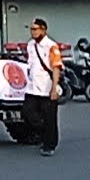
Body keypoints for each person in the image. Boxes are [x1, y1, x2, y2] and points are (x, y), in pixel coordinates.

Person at [24, 18, 63, 157]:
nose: (32, 32)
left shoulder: (51, 46)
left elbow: (56, 67)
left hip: (47, 87)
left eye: (35, 29)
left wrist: (54, 88)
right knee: (28, 112)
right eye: (31, 29)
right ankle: (41, 133)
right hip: (32, 87)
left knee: (50, 118)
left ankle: (49, 144)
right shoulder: (30, 45)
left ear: (43, 29)